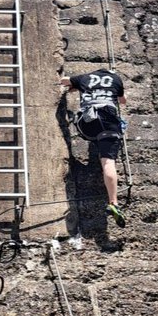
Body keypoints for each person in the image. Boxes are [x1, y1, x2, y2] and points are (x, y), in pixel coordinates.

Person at [59, 68, 127, 227]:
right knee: (108, 163)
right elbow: (123, 101)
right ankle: (113, 202)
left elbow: (63, 81)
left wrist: (75, 86)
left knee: (90, 129)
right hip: (109, 122)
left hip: (88, 125)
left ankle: (93, 138)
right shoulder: (116, 79)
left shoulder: (85, 78)